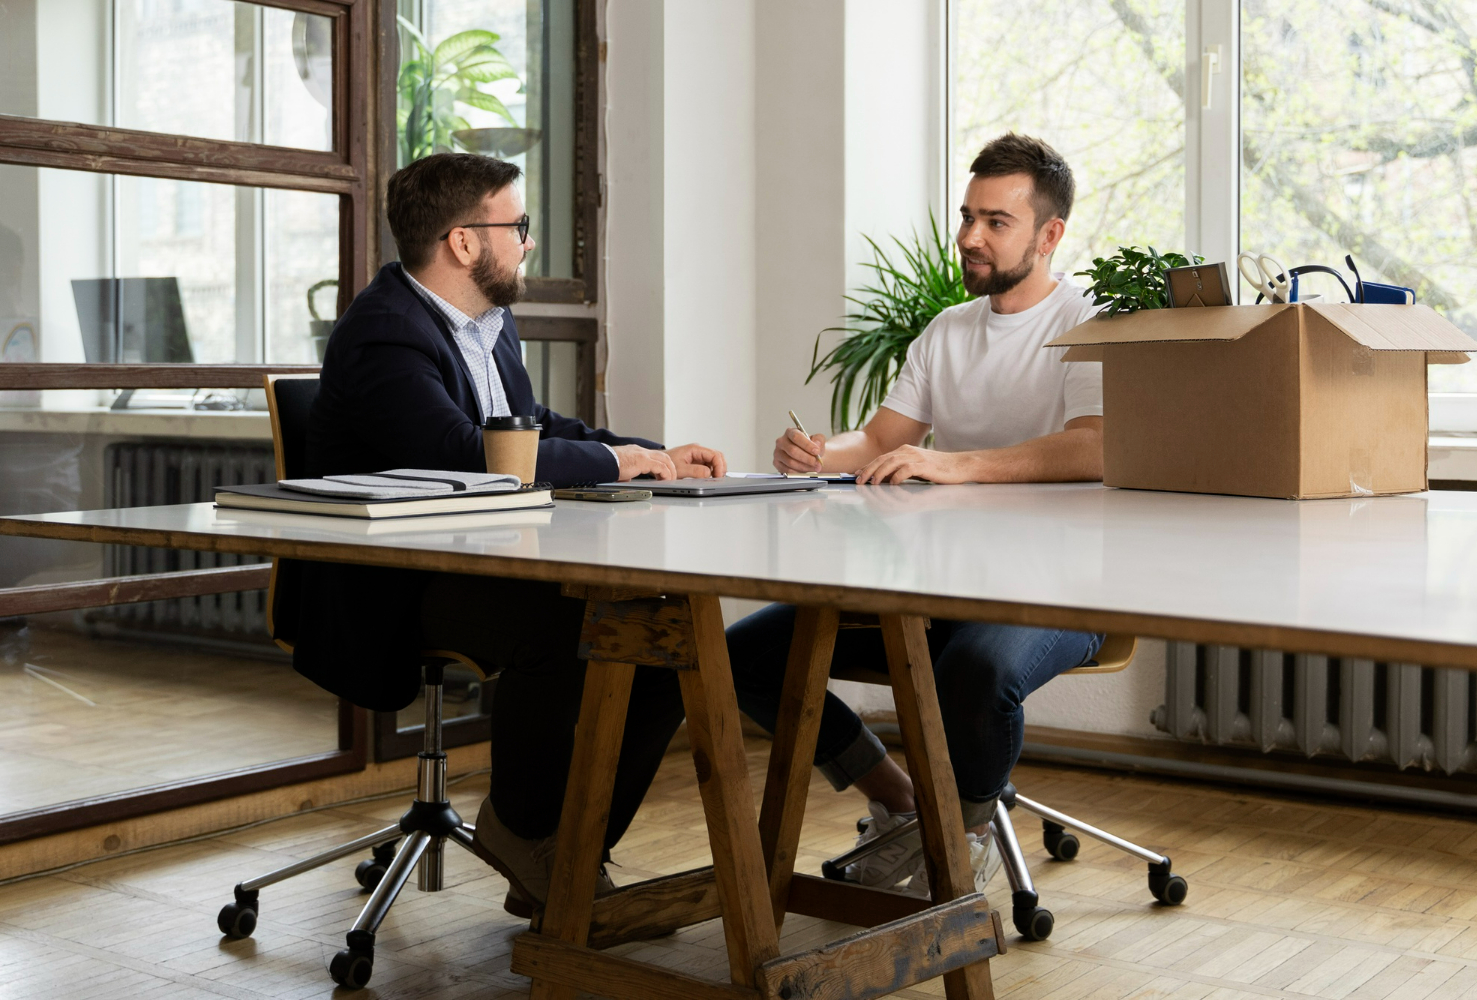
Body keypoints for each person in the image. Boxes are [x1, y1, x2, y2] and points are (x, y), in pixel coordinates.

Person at [290, 153, 726, 916]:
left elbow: (532, 430)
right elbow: (474, 458)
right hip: (391, 582)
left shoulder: (487, 324)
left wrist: (652, 456)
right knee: (567, 629)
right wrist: (621, 463)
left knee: (668, 631)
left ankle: (570, 849)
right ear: (463, 242)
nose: (528, 242)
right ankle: (521, 830)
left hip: (479, 561)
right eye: (517, 225)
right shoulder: (384, 335)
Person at [729, 133, 1104, 897]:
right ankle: (907, 805)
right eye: (968, 216)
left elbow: (1091, 448)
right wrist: (819, 450)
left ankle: (958, 838)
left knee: (977, 668)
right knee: (743, 656)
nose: (970, 236)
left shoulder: (1090, 325)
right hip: (938, 579)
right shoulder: (949, 331)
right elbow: (880, 439)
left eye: (997, 221)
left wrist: (954, 463)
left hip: (1061, 584)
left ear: (1050, 233)